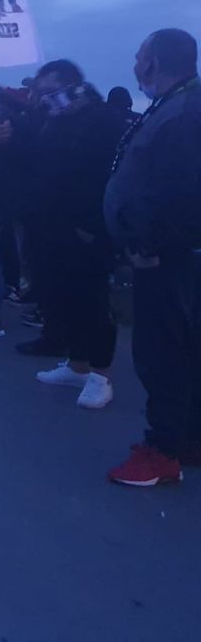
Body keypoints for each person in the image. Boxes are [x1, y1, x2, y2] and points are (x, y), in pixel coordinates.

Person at [105, 28, 201, 486]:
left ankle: (162, 452)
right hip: (168, 255)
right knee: (180, 351)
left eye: (140, 55)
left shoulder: (185, 113)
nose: (135, 63)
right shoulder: (175, 105)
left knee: (162, 355)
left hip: (166, 260)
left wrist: (149, 246)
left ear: (156, 62)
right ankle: (185, 439)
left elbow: (183, 194)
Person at [18, 60, 128, 408]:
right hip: (53, 223)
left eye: (49, 92)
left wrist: (94, 226)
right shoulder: (54, 119)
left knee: (91, 301)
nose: (43, 99)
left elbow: (110, 177)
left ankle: (100, 375)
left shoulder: (103, 118)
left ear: (70, 86)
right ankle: (77, 365)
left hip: (89, 228)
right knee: (62, 295)